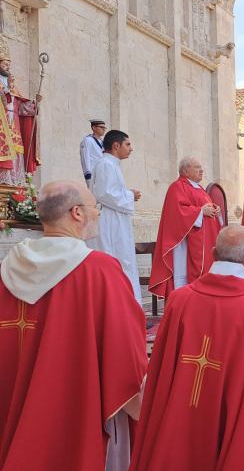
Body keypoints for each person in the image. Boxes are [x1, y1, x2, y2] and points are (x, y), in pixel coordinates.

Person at [0, 181, 146, 471]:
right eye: (96, 208)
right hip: (78, 400)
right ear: (77, 213)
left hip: (13, 394)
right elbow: (125, 345)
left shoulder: (8, 267)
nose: (98, 215)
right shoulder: (99, 269)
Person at [130, 226, 244, 471]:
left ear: (213, 253)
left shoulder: (180, 300)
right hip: (237, 425)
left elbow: (159, 371)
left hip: (178, 427)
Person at [148, 157, 222, 300]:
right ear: (185, 171)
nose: (201, 170)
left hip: (201, 239)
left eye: (201, 167)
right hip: (184, 241)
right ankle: (183, 300)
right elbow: (177, 211)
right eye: (197, 167)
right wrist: (200, 212)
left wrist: (215, 210)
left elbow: (204, 207)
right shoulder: (177, 186)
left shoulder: (199, 188)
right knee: (183, 275)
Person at [92, 129, 142, 302]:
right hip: (110, 222)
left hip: (117, 219)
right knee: (118, 261)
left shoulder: (112, 164)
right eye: (127, 144)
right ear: (116, 145)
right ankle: (120, 307)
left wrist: (127, 194)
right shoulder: (106, 164)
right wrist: (130, 195)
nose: (131, 148)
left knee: (124, 261)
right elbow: (104, 194)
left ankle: (127, 308)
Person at [0, 37, 39, 185]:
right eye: (5, 64)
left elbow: (20, 107)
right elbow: (5, 101)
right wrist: (7, 89)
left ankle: (14, 186)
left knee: (15, 155)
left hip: (14, 125)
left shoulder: (13, 86)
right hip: (2, 126)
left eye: (9, 65)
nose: (8, 68)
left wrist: (34, 106)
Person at [79, 119, 106, 189]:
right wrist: (88, 174)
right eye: (101, 127)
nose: (104, 129)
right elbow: (85, 157)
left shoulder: (102, 142)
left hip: (102, 174)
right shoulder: (88, 140)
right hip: (93, 175)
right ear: (94, 128)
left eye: (104, 128)